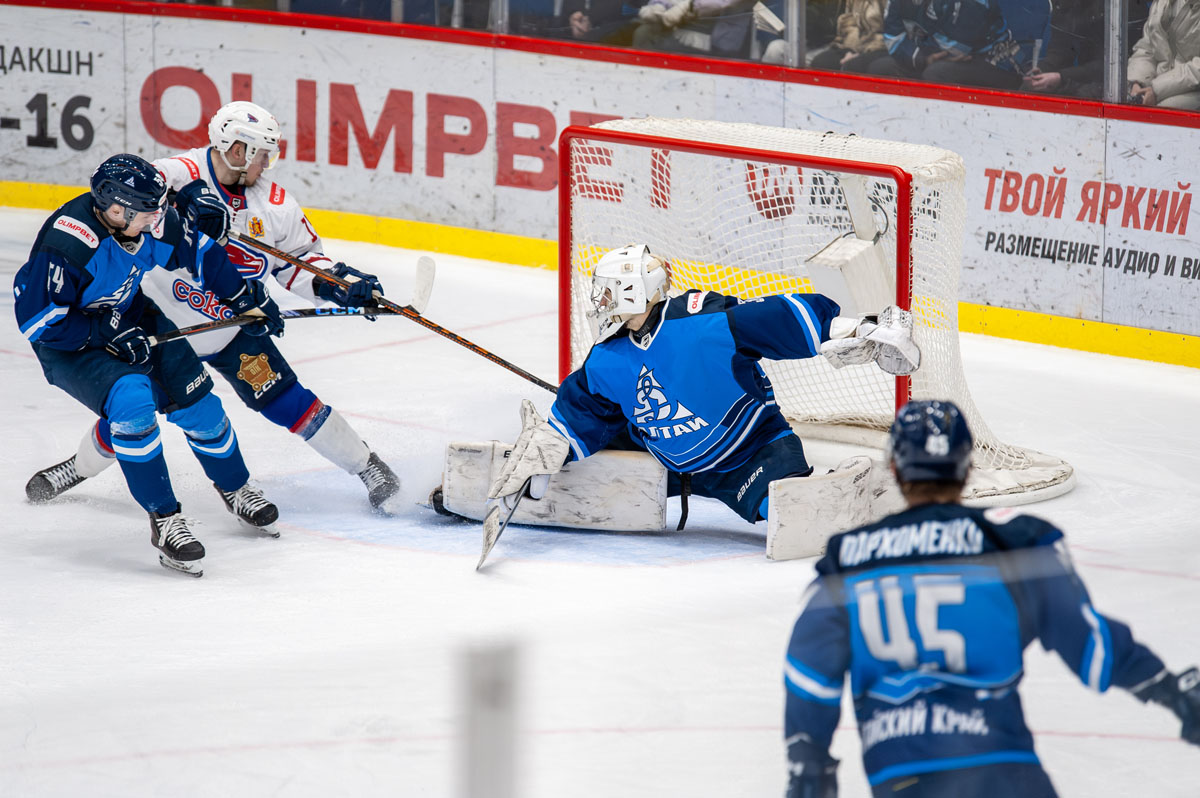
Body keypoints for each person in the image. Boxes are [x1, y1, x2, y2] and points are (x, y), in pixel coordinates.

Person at [781, 399, 1200, 797]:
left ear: (894, 467)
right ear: (967, 467)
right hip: (999, 768)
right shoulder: (1013, 539)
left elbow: (810, 672)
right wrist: (1169, 690)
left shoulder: (847, 559)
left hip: (900, 773)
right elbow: (1088, 642)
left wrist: (808, 764)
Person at [25, 101, 402, 515]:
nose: (266, 164)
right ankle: (79, 467)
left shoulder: (276, 205)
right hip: (163, 328)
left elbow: (300, 261)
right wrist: (186, 199)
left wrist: (340, 286)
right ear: (238, 150)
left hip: (233, 324)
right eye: (262, 154)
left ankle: (367, 466)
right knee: (133, 411)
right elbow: (131, 195)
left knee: (285, 398)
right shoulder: (177, 171)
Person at [479, 243, 920, 533]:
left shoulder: (700, 320)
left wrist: (853, 329)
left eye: (608, 292)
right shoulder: (607, 356)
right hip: (664, 460)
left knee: (792, 513)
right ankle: (525, 462)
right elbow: (586, 403)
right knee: (575, 447)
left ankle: (862, 492)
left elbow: (774, 318)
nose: (600, 302)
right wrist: (552, 445)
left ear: (634, 292)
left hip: (750, 453)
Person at [14, 154, 286, 577]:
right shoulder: (68, 244)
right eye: (147, 212)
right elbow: (37, 321)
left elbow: (199, 252)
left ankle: (236, 488)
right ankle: (165, 520)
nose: (156, 219)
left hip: (130, 317)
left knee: (201, 406)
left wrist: (243, 297)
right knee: (133, 402)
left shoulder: (144, 219)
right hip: (69, 344)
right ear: (115, 209)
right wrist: (103, 332)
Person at [1127, 0, 1200, 110]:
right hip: (1157, 83)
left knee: (1159, 111)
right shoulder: (1162, 3)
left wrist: (1157, 90)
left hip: (1192, 89)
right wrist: (1137, 83)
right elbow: (1146, 48)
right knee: (1126, 100)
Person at [807, 0, 887, 74]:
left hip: (882, 47)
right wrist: (852, 49)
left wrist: (863, 52)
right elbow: (849, 21)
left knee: (856, 66)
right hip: (856, 43)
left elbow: (890, 33)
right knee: (822, 62)